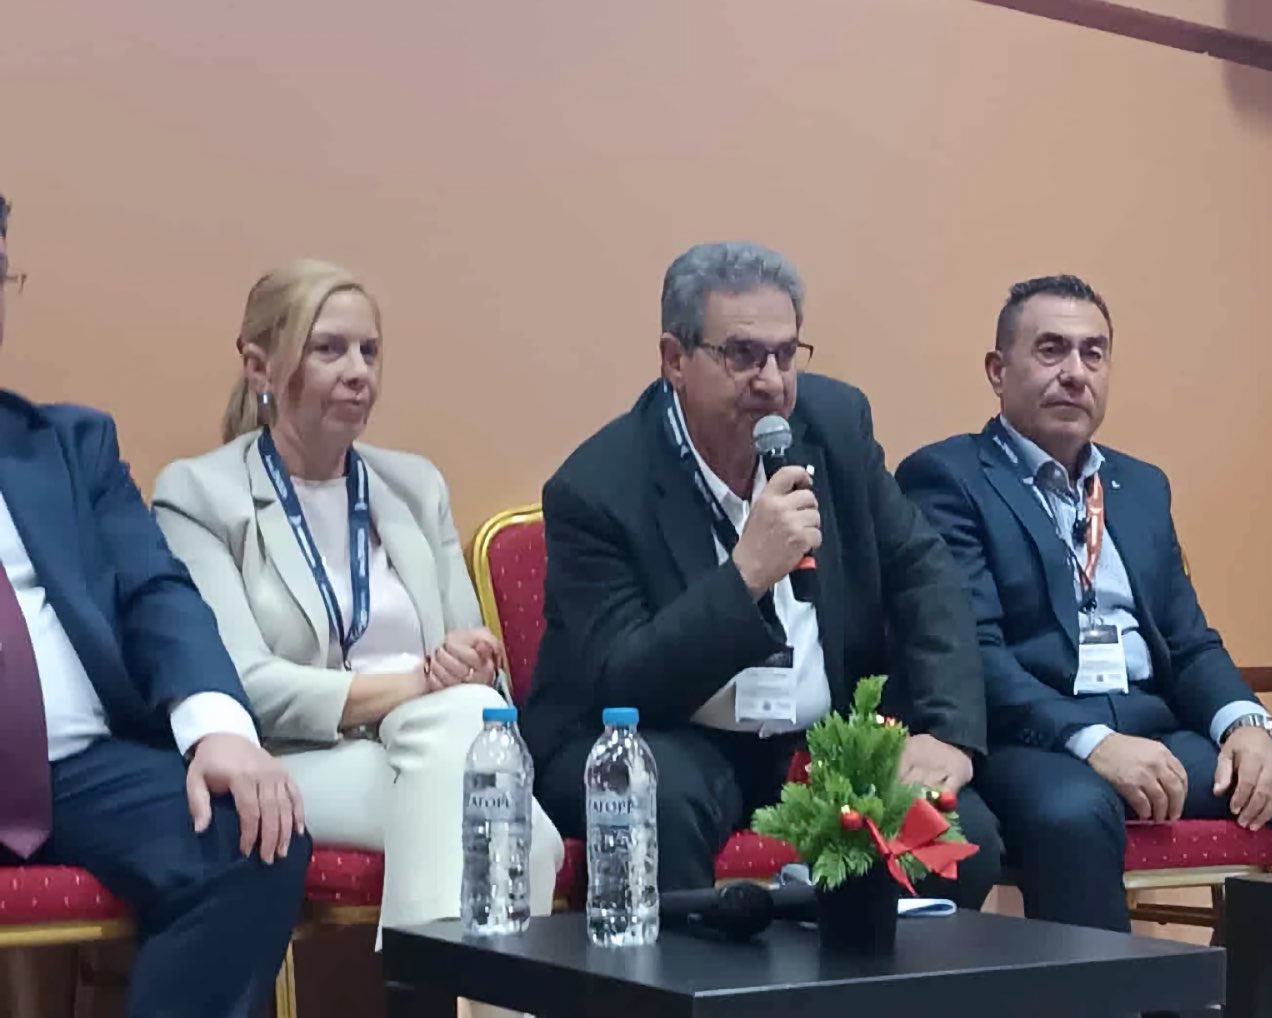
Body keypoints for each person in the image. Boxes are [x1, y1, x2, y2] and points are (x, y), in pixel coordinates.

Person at [896, 274, 1272, 1018]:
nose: (1075, 371)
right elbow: (973, 654)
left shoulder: (1139, 487)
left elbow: (1189, 642)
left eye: (1093, 353)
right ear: (998, 370)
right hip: (1030, 741)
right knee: (1074, 814)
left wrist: (1246, 725)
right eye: (1051, 350)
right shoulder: (946, 477)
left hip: (1156, 733)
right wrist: (1094, 742)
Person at [524, 241, 1002, 907]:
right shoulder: (598, 487)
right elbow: (621, 680)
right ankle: (689, 977)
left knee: (957, 830)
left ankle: (866, 974)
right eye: (743, 355)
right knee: (654, 798)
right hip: (663, 738)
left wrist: (948, 734)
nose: (772, 382)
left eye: (786, 354)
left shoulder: (834, 426)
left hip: (815, 743)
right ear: (674, 359)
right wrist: (745, 576)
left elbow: (923, 573)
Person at [150, 260, 563, 964]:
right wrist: (418, 683)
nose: (358, 372)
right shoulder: (200, 496)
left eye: (369, 351)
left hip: (435, 743)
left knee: (482, 772)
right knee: (524, 832)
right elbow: (241, 682)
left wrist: (469, 667)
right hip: (294, 760)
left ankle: (433, 996)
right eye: (329, 349)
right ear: (259, 366)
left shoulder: (414, 487)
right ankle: (447, 996)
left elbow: (481, 673)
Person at [0, 199, 310, 1017]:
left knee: (250, 836)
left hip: (74, 770)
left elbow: (154, 591)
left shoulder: (67, 447)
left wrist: (219, 730)